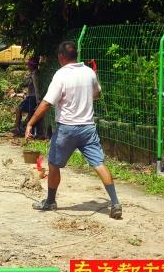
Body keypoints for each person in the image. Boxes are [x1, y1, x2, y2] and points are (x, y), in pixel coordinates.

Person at [25, 41, 122, 219]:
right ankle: (115, 202)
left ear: (61, 57)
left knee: (54, 165)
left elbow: (47, 102)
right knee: (99, 164)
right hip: (88, 128)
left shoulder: (61, 75)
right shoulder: (88, 73)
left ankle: (50, 201)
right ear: (75, 55)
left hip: (66, 129)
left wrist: (30, 123)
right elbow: (97, 94)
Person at [13, 57, 40, 136]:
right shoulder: (32, 74)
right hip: (30, 97)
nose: (27, 67)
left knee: (27, 113)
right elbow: (26, 84)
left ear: (31, 66)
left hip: (33, 98)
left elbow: (36, 88)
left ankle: (22, 130)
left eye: (28, 65)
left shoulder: (35, 75)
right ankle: (20, 128)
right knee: (23, 111)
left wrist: (38, 101)